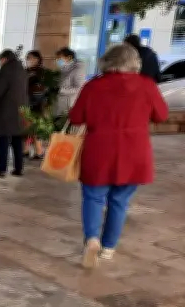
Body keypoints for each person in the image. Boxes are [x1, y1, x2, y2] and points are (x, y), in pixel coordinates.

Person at [69, 44, 168, 268]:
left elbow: (76, 118)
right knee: (120, 201)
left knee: (93, 198)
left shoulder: (93, 86)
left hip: (99, 150)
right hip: (135, 152)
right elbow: (161, 115)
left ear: (107, 61)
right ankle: (108, 248)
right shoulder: (146, 85)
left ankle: (91, 239)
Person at [0, 49, 28, 178]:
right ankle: (18, 168)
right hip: (20, 110)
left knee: (3, 140)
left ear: (4, 59)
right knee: (17, 139)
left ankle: (1, 169)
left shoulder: (5, 70)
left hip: (6, 110)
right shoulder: (21, 70)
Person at [25, 50, 48, 159]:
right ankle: (25, 150)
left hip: (38, 103)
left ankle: (39, 151)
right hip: (26, 101)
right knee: (26, 127)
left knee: (35, 128)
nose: (30, 60)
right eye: (28, 58)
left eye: (32, 58)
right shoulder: (25, 71)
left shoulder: (42, 72)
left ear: (38, 59)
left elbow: (44, 88)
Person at [54, 47, 86, 116]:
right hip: (61, 103)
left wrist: (60, 90)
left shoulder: (78, 69)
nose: (57, 60)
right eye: (57, 58)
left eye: (60, 58)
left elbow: (79, 88)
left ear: (69, 57)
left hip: (70, 103)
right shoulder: (64, 67)